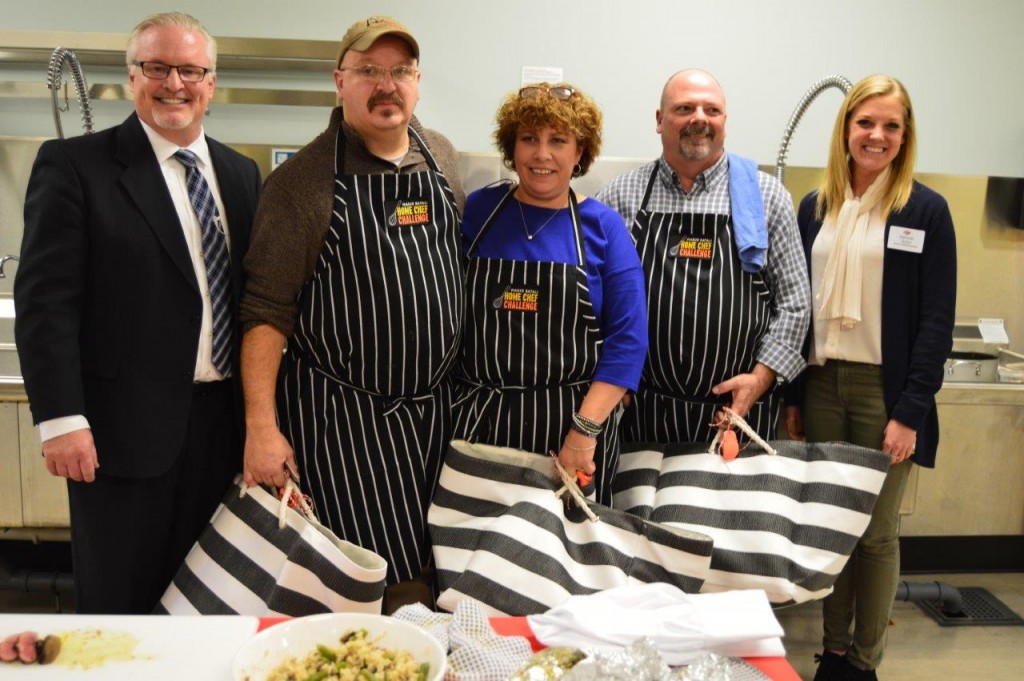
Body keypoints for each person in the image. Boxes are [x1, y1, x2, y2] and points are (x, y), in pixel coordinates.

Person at [14, 12, 262, 614]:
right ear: (132, 77)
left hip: (221, 433)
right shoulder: (76, 166)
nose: (174, 83)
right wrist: (61, 419)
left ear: (211, 81)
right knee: (121, 606)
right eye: (157, 68)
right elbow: (46, 303)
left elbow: (254, 300)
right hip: (120, 436)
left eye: (190, 70)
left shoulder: (240, 173)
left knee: (210, 602)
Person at [239, 15, 465, 612]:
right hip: (343, 423)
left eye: (399, 72)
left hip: (433, 415)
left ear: (417, 81)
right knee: (362, 575)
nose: (386, 86)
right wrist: (261, 428)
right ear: (340, 82)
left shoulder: (440, 156)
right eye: (369, 71)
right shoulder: (300, 184)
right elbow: (265, 311)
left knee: (432, 564)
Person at [787, 75, 956, 681]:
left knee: (877, 536)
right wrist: (793, 398)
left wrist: (910, 411)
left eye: (891, 125)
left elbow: (937, 320)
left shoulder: (924, 210)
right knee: (833, 527)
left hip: (886, 391)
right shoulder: (816, 206)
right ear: (847, 129)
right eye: (866, 123)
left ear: (904, 135)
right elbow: (798, 305)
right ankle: (831, 652)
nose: (877, 135)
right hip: (823, 382)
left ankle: (863, 663)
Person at [453, 83, 647, 504]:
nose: (542, 155)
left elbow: (628, 343)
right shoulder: (478, 212)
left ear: (579, 153)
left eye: (558, 141)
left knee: (565, 561)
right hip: (478, 427)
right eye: (529, 139)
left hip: (570, 434)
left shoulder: (603, 229)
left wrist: (584, 432)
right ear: (512, 147)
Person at [597, 69, 810, 444]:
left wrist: (761, 379)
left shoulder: (766, 196)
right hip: (642, 413)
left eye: (712, 110)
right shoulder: (620, 196)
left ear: (724, 122)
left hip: (737, 413)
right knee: (641, 504)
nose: (700, 118)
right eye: (684, 108)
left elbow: (795, 303)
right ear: (660, 120)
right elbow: (597, 302)